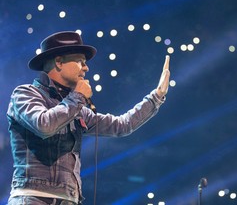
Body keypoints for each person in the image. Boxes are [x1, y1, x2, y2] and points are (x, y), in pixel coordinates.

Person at [7, 31, 170, 205]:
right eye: (80, 62)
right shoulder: (25, 94)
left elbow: (122, 125)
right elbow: (44, 125)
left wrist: (156, 97)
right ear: (59, 62)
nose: (86, 68)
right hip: (33, 197)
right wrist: (77, 96)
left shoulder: (76, 108)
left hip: (69, 199)